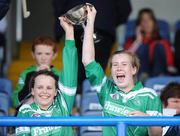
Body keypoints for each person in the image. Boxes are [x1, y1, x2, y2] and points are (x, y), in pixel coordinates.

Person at [82, 5, 162, 136]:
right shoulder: (106, 90)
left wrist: (147, 119)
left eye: (124, 64)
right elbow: (88, 60)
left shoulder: (150, 95)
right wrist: (90, 21)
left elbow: (157, 134)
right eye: (114, 65)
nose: (118, 67)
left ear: (134, 69)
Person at [15, 16, 78, 136]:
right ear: (32, 90)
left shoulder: (62, 103)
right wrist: (32, 76)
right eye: (39, 87)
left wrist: (69, 33)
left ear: (56, 92)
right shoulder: (25, 110)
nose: (44, 91)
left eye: (49, 88)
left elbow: (70, 68)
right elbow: (15, 100)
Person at [52, 0, 132, 93]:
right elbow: (125, 8)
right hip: (102, 26)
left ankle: (79, 100)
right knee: (96, 72)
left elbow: (59, 4)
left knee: (77, 71)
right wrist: (110, 20)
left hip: (81, 27)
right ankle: (91, 100)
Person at [124, 8, 176, 81]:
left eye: (149, 19)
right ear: (139, 24)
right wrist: (138, 41)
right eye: (143, 20)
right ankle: (144, 77)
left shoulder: (163, 42)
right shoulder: (132, 41)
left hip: (159, 73)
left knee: (159, 46)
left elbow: (170, 65)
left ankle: (158, 78)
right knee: (143, 47)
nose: (146, 22)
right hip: (140, 73)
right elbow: (125, 58)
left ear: (154, 23)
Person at [11, 35, 59, 109]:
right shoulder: (26, 73)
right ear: (33, 54)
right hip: (30, 114)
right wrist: (32, 77)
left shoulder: (59, 74)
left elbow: (65, 100)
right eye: (39, 53)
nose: (43, 58)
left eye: (47, 54)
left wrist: (52, 76)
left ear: (54, 55)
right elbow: (15, 101)